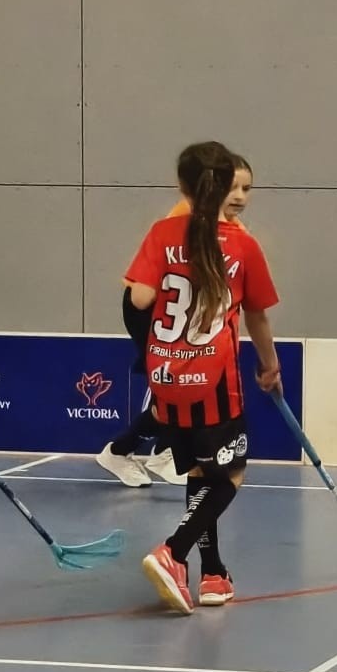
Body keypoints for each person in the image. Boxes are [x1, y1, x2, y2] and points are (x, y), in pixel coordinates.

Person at [126, 142, 279, 613]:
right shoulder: (243, 245)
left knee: (199, 472)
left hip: (167, 378)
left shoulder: (162, 232)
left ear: (182, 187)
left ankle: (212, 574)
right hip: (214, 382)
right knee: (230, 473)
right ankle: (173, 552)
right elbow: (257, 316)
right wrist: (270, 365)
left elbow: (139, 299)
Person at [98, 153, 256, 488]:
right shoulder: (188, 215)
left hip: (188, 312)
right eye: (232, 187)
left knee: (186, 390)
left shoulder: (235, 228)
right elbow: (148, 290)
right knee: (174, 391)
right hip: (154, 307)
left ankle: (155, 450)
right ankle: (131, 451)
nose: (239, 196)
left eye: (246, 188)